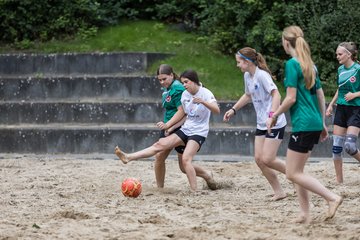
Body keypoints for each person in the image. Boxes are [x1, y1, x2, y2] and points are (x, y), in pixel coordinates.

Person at [267, 26, 343, 224]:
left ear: (286, 42)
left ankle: (331, 197)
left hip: (302, 123)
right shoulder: (310, 64)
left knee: (292, 173)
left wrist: (274, 114)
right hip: (313, 122)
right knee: (297, 171)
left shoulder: (292, 64)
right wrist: (322, 122)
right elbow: (319, 95)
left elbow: (291, 98)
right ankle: (304, 213)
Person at [115, 69, 220, 192]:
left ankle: (194, 191)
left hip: (199, 132)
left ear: (194, 81)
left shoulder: (205, 93)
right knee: (159, 146)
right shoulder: (185, 94)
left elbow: (216, 110)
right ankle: (128, 157)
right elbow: (184, 115)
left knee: (186, 161)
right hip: (186, 129)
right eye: (183, 82)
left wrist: (203, 102)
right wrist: (170, 127)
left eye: (186, 82)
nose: (184, 85)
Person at [223, 47, 287, 201]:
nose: (237, 65)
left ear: (247, 62)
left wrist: (272, 115)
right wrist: (233, 109)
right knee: (259, 159)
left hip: (275, 122)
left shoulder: (262, 75)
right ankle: (279, 191)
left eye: (239, 62)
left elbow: (276, 94)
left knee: (268, 159)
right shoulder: (247, 76)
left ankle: (297, 174)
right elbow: (247, 95)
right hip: (261, 123)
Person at [325, 42, 360, 184]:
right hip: (341, 109)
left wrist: (355, 95)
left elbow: (353, 92)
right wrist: (331, 105)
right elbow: (340, 89)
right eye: (336, 54)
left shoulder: (358, 69)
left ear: (349, 55)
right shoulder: (340, 70)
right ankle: (339, 182)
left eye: (340, 54)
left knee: (350, 147)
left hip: (355, 110)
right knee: (336, 149)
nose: (337, 56)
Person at [154, 64, 185, 188]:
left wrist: (168, 125)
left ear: (171, 75)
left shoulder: (177, 88)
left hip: (179, 126)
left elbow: (181, 111)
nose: (162, 82)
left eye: (164, 79)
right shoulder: (168, 88)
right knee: (159, 156)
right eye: (159, 80)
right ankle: (160, 188)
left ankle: (207, 175)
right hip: (168, 125)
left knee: (184, 166)